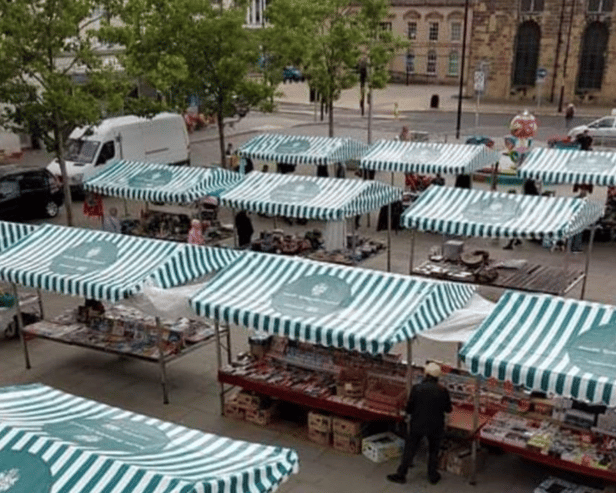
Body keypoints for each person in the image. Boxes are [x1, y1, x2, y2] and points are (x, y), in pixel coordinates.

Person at [387, 362, 452, 485]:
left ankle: (401, 474)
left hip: (417, 424)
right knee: (433, 451)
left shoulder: (417, 388)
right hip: (436, 426)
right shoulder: (443, 391)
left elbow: (409, 408)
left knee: (410, 449)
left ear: (426, 374)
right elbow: (448, 409)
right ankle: (432, 475)